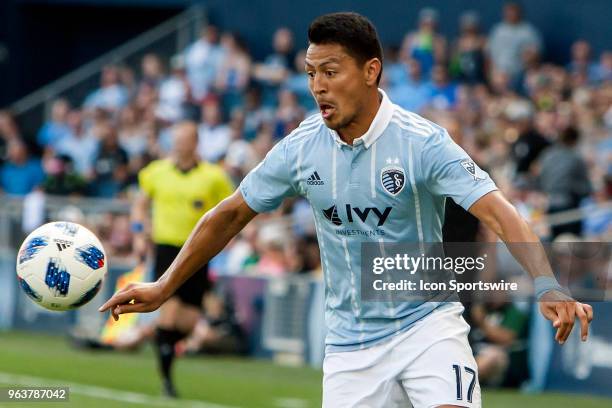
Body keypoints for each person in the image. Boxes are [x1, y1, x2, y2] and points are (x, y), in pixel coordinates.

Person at [100, 13, 593, 408]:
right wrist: (165, 286)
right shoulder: (300, 147)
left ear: (371, 71)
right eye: (311, 73)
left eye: (331, 72)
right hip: (350, 348)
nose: (318, 86)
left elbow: (499, 213)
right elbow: (229, 214)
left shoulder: (423, 143)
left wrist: (547, 281)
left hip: (428, 326)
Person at [130, 121, 233, 397]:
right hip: (166, 248)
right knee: (170, 310)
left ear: (195, 142)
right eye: (175, 139)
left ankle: (157, 339)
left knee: (188, 321)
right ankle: (166, 381)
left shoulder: (213, 176)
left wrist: (225, 241)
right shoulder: (156, 172)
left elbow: (229, 211)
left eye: (183, 139)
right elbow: (140, 204)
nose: (178, 144)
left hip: (198, 251)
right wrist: (140, 232)